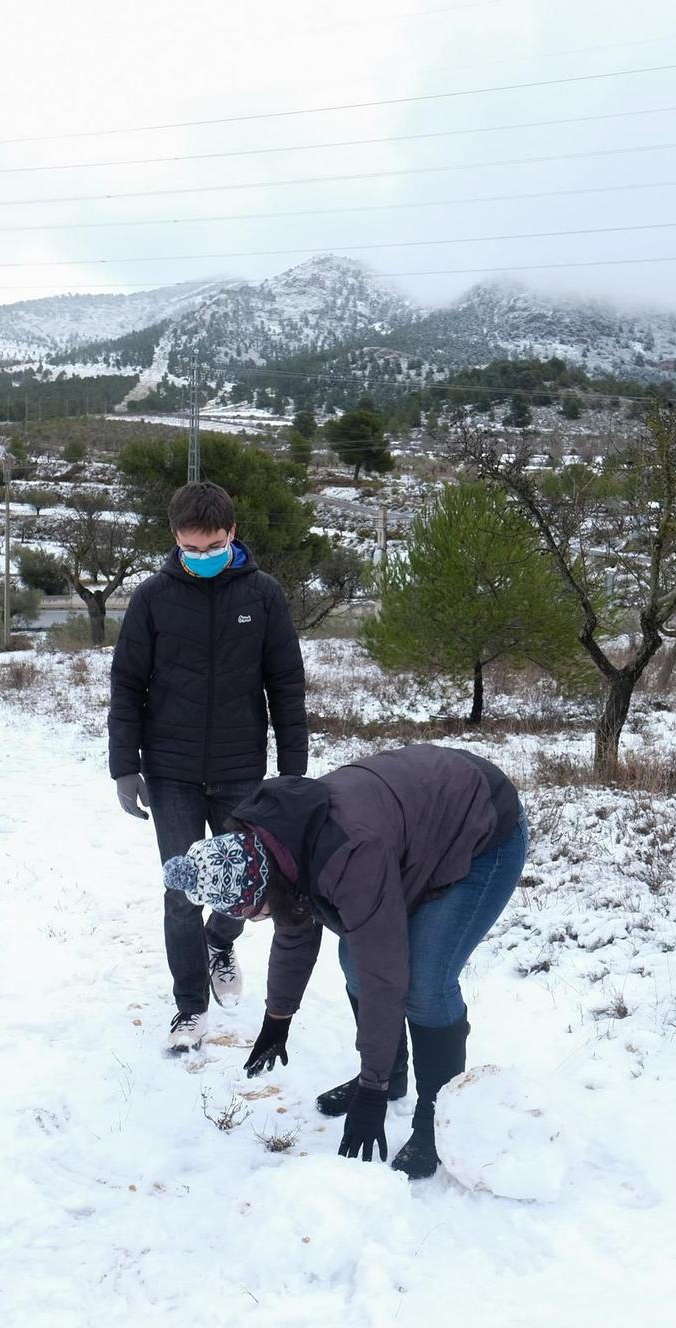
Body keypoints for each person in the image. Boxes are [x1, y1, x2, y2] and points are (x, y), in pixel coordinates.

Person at [162, 743, 527, 1180]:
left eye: (246, 912)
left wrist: (368, 1094)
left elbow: (384, 976)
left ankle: (436, 1117)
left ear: (260, 888)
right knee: (354, 957)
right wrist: (278, 1019)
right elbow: (295, 930)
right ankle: (390, 1076)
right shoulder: (278, 847)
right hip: (419, 824)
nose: (250, 920)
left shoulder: (348, 855)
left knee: (425, 983)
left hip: (482, 828)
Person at [109, 480, 308, 1053]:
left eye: (214, 545)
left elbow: (286, 688)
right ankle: (190, 1007)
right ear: (176, 539)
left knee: (245, 885)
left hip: (242, 769)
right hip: (169, 774)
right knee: (181, 891)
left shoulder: (264, 595)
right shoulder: (152, 598)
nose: (203, 557)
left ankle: (221, 941)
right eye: (192, 549)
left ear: (233, 534)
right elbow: (126, 685)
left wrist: (292, 774)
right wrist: (125, 766)